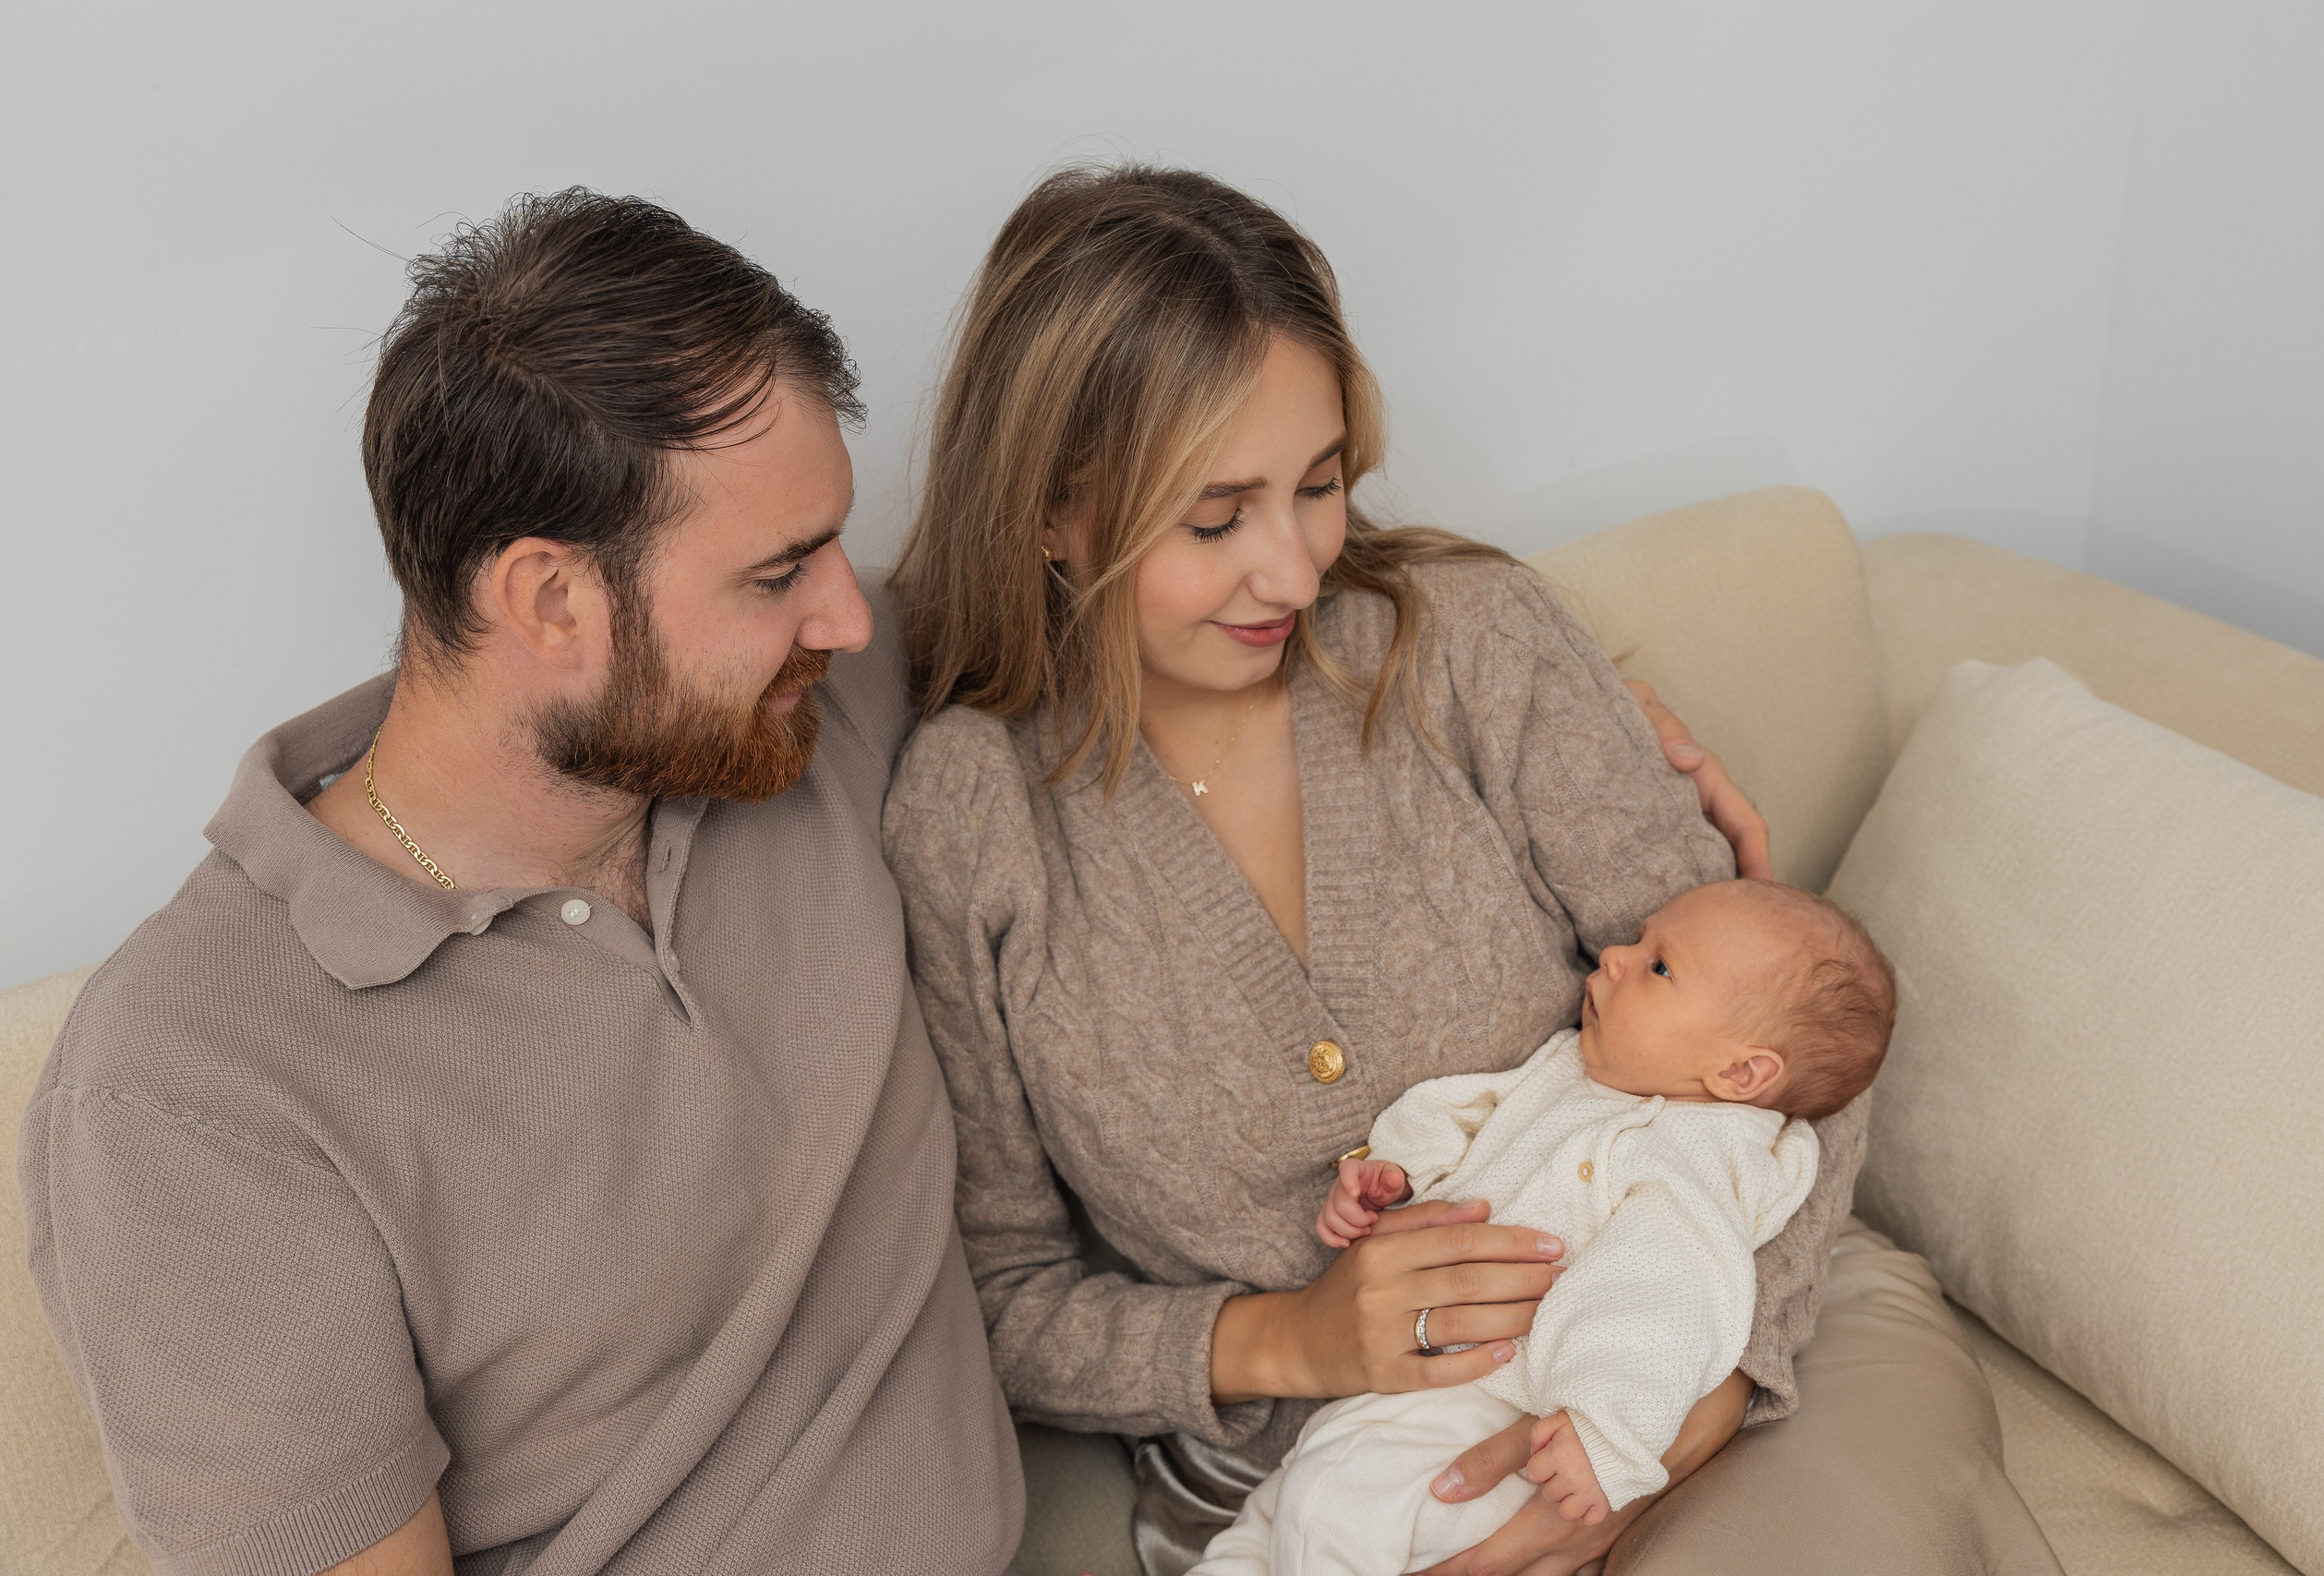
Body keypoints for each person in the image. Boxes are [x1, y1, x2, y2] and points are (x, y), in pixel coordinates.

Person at [18, 190, 1022, 1576]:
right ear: (550, 600)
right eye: (780, 571)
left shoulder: (797, 713)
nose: (849, 614)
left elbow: (1144, 543)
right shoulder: (192, 1089)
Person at [882, 164, 1841, 1576]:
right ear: (1051, 514)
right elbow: (1004, 1292)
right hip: (1316, 1503)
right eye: (1214, 520)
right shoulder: (970, 819)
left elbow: (1798, 1053)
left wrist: (1675, 1423)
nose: (1290, 568)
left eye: (1320, 485)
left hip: (1715, 1402)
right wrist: (1290, 1335)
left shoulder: (1469, 645)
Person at [1190, 880, 1896, 1576]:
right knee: (1265, 1525)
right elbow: (1462, 1110)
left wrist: (1604, 1435)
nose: (1615, 953)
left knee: (1329, 1508)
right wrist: (1398, 1174)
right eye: (1640, 938)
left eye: (1659, 966)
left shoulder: (1693, 1160)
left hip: (1498, 1404)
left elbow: (1668, 1297)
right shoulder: (1574, 1068)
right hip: (1400, 1387)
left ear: (1740, 1071)